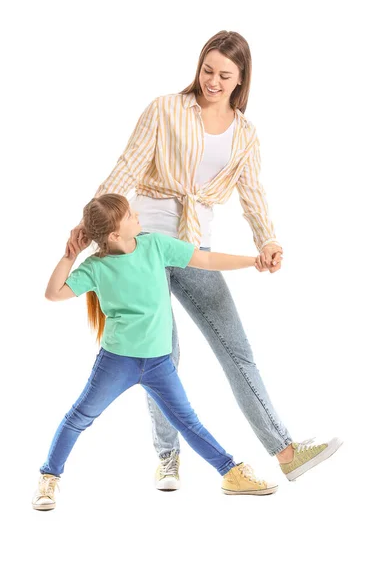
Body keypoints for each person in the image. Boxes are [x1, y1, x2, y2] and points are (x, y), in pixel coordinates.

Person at [66, 30, 342, 492]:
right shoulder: (165, 108)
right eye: (207, 69)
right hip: (143, 244)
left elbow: (252, 194)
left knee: (237, 352)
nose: (212, 81)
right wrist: (93, 220)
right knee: (161, 357)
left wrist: (268, 240)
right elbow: (128, 166)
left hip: (195, 248)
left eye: (224, 75)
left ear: (241, 80)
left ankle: (287, 453)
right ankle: (168, 458)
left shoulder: (246, 134)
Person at [32, 193, 279, 511]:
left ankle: (231, 474)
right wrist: (70, 254)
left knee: (188, 422)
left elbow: (204, 259)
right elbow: (54, 293)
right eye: (130, 215)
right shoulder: (96, 266)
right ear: (113, 235)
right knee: (79, 416)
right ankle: (49, 477)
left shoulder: (155, 245)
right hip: (116, 363)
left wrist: (252, 261)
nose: (138, 216)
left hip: (159, 363)